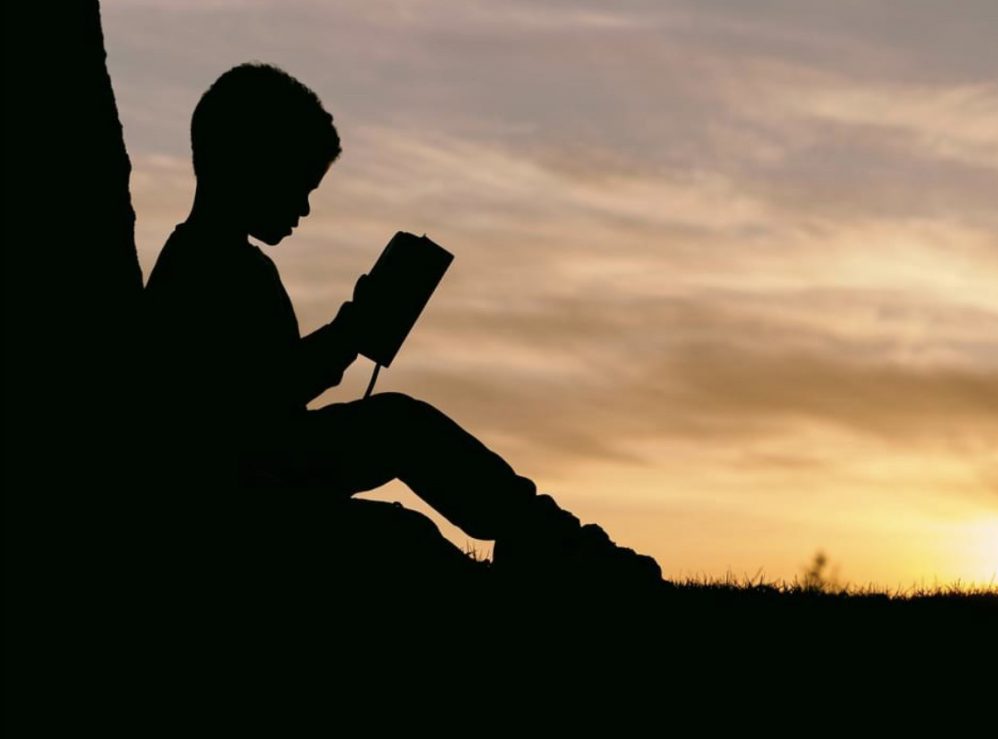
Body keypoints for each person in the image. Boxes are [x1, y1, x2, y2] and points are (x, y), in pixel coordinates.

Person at [144, 62, 662, 589]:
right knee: (404, 505)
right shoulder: (204, 267)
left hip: (259, 476)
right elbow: (252, 406)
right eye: (297, 185)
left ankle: (552, 544)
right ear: (250, 165)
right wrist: (351, 332)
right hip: (235, 496)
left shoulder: (224, 261)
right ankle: (559, 551)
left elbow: (269, 392)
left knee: (400, 434)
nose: (302, 209)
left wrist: (350, 331)